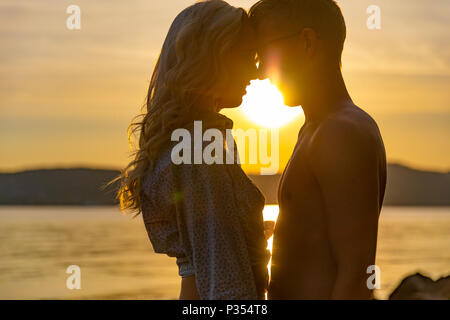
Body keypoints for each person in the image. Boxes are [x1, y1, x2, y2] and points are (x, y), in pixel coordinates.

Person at [110, 0, 270, 300]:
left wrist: (246, 232)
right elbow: (226, 288)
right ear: (213, 59)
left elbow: (207, 252)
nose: (257, 72)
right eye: (247, 56)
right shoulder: (199, 148)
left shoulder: (188, 140)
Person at [249, 0, 387, 299]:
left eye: (265, 53)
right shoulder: (315, 129)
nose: (260, 72)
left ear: (307, 42)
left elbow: (356, 275)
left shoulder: (341, 133)